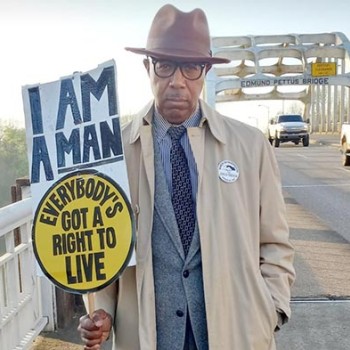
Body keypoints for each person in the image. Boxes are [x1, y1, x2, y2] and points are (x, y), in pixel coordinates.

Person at [77, 4, 295, 350]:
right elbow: (102, 249)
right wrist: (101, 311)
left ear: (206, 71)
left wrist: (270, 309)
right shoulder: (115, 152)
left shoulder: (250, 147)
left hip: (235, 334)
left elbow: (275, 243)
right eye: (165, 66)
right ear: (148, 68)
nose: (177, 82)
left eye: (191, 67)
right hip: (149, 336)